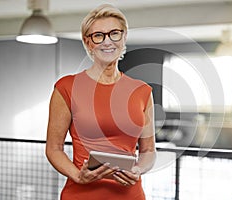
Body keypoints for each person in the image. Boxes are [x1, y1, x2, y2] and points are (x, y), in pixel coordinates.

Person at [45, 4, 156, 200]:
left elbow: (148, 150)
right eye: (98, 35)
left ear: (124, 37)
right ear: (88, 43)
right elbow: (54, 149)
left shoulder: (142, 91)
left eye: (114, 33)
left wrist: (138, 169)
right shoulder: (66, 87)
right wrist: (78, 176)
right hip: (81, 194)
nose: (107, 42)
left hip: (130, 195)